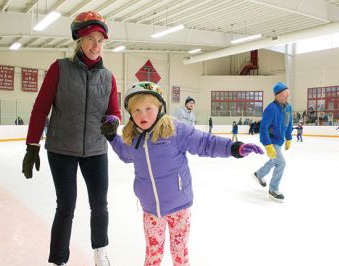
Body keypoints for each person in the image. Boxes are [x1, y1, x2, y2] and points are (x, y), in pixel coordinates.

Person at [100, 81, 264, 266]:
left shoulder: (175, 130)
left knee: (180, 255)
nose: (142, 114)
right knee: (152, 255)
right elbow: (125, 153)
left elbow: (205, 143)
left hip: (179, 207)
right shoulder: (134, 138)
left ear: (160, 107)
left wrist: (233, 147)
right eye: (136, 110)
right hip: (151, 210)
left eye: (148, 108)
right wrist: (112, 137)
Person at [21, 11, 121, 266]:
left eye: (100, 40)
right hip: (61, 149)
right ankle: (58, 260)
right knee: (66, 206)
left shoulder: (108, 77)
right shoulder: (59, 69)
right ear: (78, 39)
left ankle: (100, 253)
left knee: (100, 204)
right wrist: (32, 145)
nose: (96, 46)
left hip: (96, 150)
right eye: (90, 38)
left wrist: (112, 123)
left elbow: (114, 112)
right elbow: (40, 108)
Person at [252, 82, 292, 202]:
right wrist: (268, 145)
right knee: (281, 163)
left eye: (288, 92)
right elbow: (263, 128)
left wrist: (289, 138)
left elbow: (289, 123)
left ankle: (259, 174)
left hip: (279, 140)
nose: (287, 95)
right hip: (271, 140)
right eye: (285, 92)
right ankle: (273, 189)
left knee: (274, 160)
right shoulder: (270, 109)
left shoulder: (288, 107)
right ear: (277, 95)